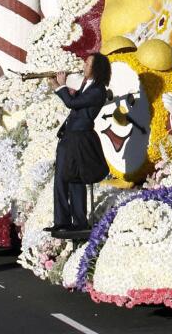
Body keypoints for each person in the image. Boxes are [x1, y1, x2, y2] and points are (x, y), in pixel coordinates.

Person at [51, 53, 111, 237]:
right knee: (72, 178)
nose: (84, 65)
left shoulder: (98, 90)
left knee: (65, 177)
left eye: (88, 62)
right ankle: (75, 221)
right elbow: (76, 100)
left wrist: (61, 86)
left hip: (78, 139)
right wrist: (56, 85)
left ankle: (66, 222)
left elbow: (72, 103)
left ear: (97, 68)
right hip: (71, 137)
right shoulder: (89, 86)